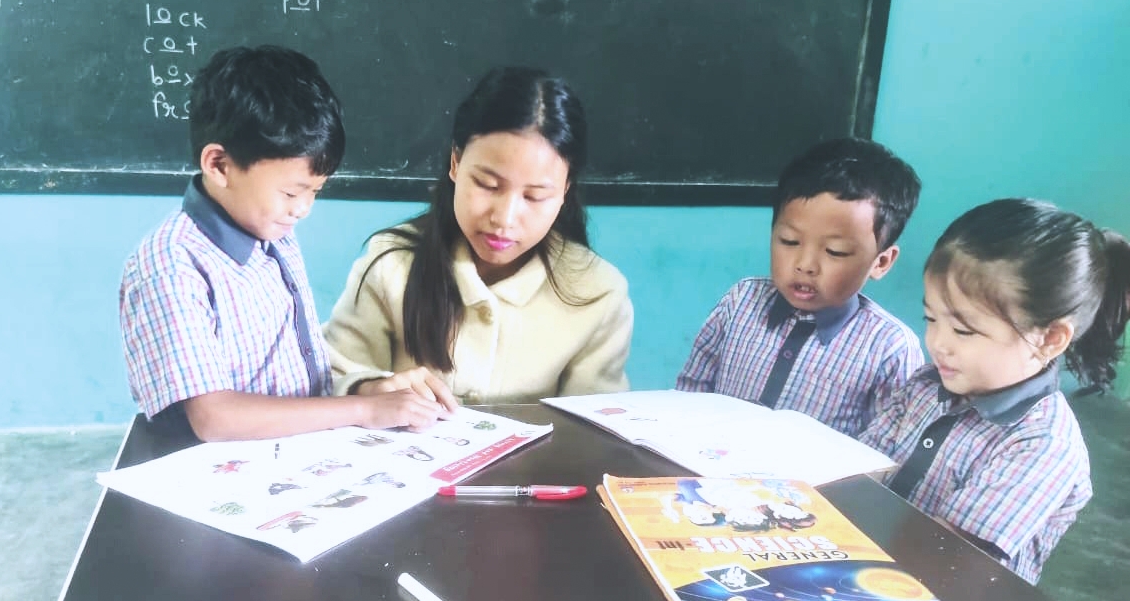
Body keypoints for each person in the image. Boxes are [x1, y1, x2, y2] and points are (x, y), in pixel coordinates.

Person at [119, 45, 456, 441]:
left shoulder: (270, 230)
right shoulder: (172, 264)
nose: (304, 209)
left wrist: (367, 389)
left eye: (315, 191)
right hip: (216, 479)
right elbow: (215, 418)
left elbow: (292, 375)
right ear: (219, 165)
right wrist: (363, 409)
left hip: (295, 459)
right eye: (292, 193)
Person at [322, 66, 633, 405]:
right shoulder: (392, 263)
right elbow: (333, 373)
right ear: (455, 163)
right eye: (488, 185)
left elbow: (596, 428)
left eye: (534, 196)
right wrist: (369, 388)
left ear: (564, 191)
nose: (504, 218)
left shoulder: (597, 292)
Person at [859, 199, 1130, 584]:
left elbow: (947, 555)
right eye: (931, 319)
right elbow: (857, 471)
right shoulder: (925, 385)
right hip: (865, 569)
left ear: (1050, 339)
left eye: (964, 330)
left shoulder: (1042, 444)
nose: (938, 343)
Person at [675, 137, 924, 437]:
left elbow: (885, 449)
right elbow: (691, 391)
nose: (806, 264)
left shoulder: (889, 348)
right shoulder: (741, 300)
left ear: (881, 262)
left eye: (835, 251)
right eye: (789, 242)